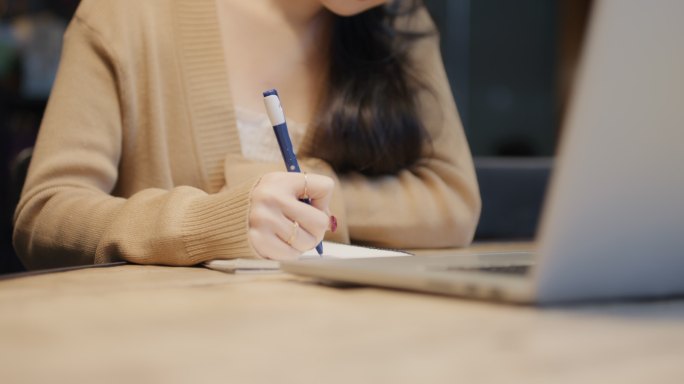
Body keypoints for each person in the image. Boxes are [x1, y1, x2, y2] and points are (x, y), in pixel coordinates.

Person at [13, 0, 481, 269]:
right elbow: (45, 214)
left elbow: (454, 201)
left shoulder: (399, 21)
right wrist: (212, 220)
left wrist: (296, 201)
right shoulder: (130, 13)